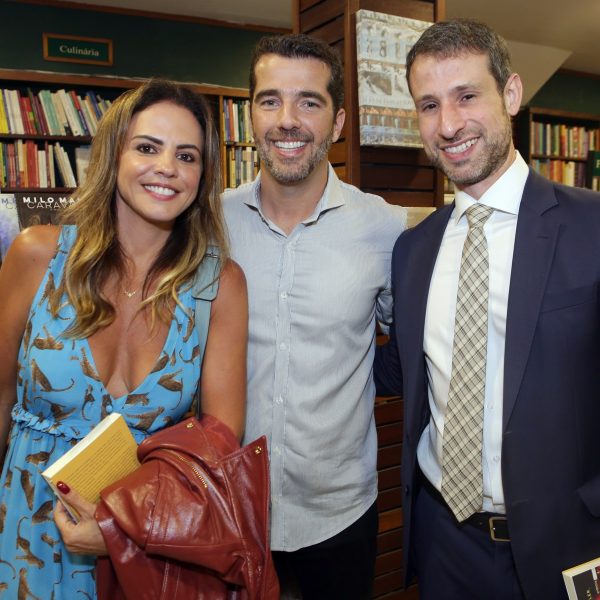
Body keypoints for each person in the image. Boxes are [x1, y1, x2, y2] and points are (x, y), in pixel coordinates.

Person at [375, 19, 600, 600]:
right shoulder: (413, 250)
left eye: (467, 96)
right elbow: (405, 373)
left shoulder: (591, 226)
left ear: (511, 94)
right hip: (445, 544)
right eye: (428, 105)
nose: (448, 125)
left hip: (570, 545)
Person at [0, 79, 248, 599]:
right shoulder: (37, 256)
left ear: (203, 176)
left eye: (187, 155)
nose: (167, 168)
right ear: (113, 156)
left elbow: (218, 446)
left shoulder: (218, 284)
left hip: (148, 548)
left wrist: (119, 530)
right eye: (147, 147)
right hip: (27, 535)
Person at [222, 34, 406, 599]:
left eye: (309, 102)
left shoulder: (385, 227)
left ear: (339, 120)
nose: (288, 120)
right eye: (270, 100)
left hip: (339, 512)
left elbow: (409, 348)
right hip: (228, 508)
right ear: (249, 113)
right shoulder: (211, 222)